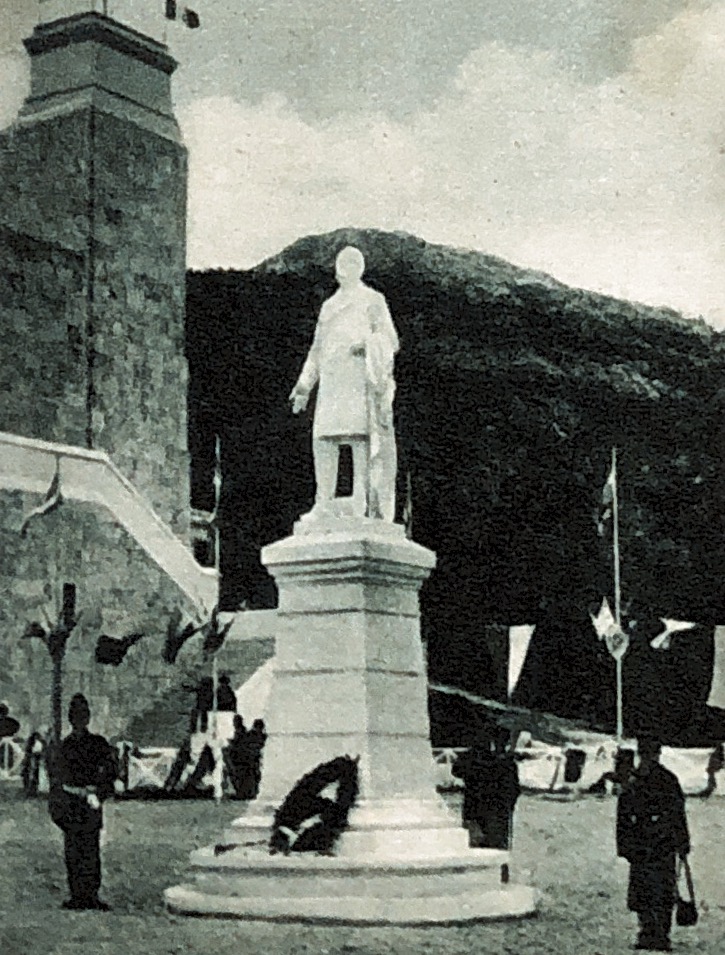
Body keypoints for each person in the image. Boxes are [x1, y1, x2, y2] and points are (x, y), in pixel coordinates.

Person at [290, 246, 399, 521]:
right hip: (331, 382)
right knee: (324, 439)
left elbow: (390, 340)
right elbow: (316, 350)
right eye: (342, 262)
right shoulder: (329, 306)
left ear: (360, 267)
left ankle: (361, 499)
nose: (347, 267)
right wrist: (304, 386)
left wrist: (368, 344)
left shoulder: (373, 300)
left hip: (359, 380)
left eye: (353, 262)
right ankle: (323, 501)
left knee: (359, 439)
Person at [616, 735, 690, 952]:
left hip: (648, 845)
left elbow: (623, 816)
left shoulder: (637, 780)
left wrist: (624, 846)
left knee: (651, 890)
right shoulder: (667, 780)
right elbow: (678, 815)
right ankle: (656, 932)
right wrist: (683, 842)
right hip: (659, 844)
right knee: (657, 889)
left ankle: (651, 931)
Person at [52, 694, 117, 911]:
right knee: (74, 851)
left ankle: (90, 894)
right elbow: (58, 780)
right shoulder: (64, 747)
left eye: (82, 716)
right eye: (76, 716)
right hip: (72, 802)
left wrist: (98, 794)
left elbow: (110, 772)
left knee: (89, 850)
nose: (79, 721)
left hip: (89, 801)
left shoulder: (97, 744)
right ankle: (77, 894)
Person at [452, 727, 521, 853]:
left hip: (477, 810)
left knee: (478, 849)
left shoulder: (473, 759)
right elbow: (514, 790)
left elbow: (457, 771)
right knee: (497, 850)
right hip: (497, 812)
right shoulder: (507, 764)